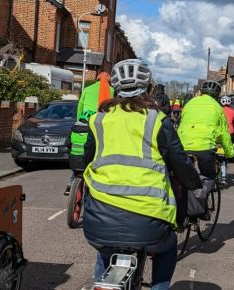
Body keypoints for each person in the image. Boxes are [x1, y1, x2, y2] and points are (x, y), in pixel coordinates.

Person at [82, 59, 202, 290]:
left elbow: (85, 159)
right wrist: (193, 183)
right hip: (150, 221)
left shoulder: (98, 119)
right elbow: (180, 163)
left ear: (115, 89)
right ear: (149, 88)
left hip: (99, 218)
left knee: (105, 251)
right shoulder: (157, 120)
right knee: (167, 248)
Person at [65, 72, 114, 194]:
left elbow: (80, 108)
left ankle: (72, 182)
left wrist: (79, 125)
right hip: (102, 124)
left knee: (80, 152)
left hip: (85, 123)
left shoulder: (87, 89)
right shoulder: (112, 90)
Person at [178, 81, 234, 179]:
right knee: (209, 176)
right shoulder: (218, 108)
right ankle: (203, 192)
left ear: (201, 92)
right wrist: (230, 154)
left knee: (181, 176)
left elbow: (181, 123)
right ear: (217, 96)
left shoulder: (189, 103)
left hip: (182, 145)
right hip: (205, 147)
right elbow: (225, 134)